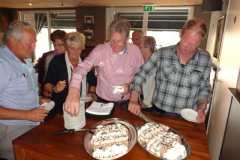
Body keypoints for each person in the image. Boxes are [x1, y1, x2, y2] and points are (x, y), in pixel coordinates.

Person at [129, 19, 212, 123]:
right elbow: (140, 75)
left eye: (194, 45)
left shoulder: (205, 58)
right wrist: (133, 99)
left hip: (188, 117)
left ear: (201, 41)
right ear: (180, 33)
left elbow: (205, 88)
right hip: (159, 114)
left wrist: (202, 108)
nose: (188, 48)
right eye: (186, 42)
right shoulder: (161, 54)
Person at [64, 18, 144, 116]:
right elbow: (82, 67)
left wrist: (130, 87)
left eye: (119, 41)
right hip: (103, 103)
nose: (115, 45)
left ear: (127, 39)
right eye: (112, 40)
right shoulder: (101, 50)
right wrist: (73, 90)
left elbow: (140, 76)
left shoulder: (135, 51)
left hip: (127, 103)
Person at [0, 21, 50, 160]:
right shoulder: (2, 64)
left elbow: (18, 90)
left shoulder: (24, 60)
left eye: (35, 43)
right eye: (30, 43)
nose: (33, 47)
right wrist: (27, 114)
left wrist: (38, 98)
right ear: (12, 40)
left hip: (29, 124)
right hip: (11, 129)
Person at [43, 32, 97, 119]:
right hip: (61, 109)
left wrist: (90, 93)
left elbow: (93, 80)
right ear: (67, 48)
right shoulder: (57, 61)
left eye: (79, 49)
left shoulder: (84, 62)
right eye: (72, 48)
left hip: (82, 106)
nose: (76, 52)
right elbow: (46, 84)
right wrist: (54, 88)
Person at [35, 29, 66, 96]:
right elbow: (44, 75)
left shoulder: (70, 57)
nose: (56, 47)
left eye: (59, 45)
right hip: (51, 91)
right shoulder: (48, 56)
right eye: (54, 45)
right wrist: (45, 89)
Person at [138, 36, 156, 112]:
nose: (139, 49)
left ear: (148, 48)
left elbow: (155, 86)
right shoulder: (142, 60)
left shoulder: (156, 62)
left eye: (140, 47)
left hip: (149, 104)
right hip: (141, 98)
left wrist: (146, 102)